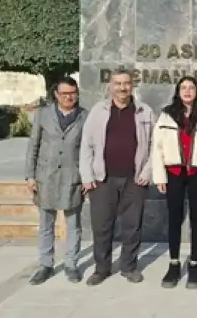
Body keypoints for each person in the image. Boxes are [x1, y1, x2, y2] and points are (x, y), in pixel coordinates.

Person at [79, 68, 155, 286]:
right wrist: (87, 175)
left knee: (133, 226)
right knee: (102, 226)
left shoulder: (144, 111)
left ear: (132, 86)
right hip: (103, 179)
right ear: (110, 86)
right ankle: (101, 268)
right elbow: (86, 145)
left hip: (135, 179)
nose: (122, 87)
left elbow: (153, 146)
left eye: (126, 83)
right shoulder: (98, 111)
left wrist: (147, 172)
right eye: (118, 83)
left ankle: (129, 267)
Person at [151, 76, 197, 289]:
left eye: (191, 87)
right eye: (184, 87)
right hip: (174, 173)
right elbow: (158, 148)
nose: (187, 91)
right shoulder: (167, 115)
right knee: (174, 217)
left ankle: (194, 264)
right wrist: (160, 176)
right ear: (178, 91)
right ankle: (173, 264)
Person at [24, 76, 87, 284]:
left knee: (73, 225)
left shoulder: (84, 116)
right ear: (56, 95)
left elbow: (90, 150)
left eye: (73, 93)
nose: (69, 97)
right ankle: (46, 264)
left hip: (73, 178)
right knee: (46, 224)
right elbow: (33, 147)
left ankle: (71, 263)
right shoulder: (43, 115)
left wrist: (87, 178)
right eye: (65, 94)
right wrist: (30, 175)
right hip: (46, 177)